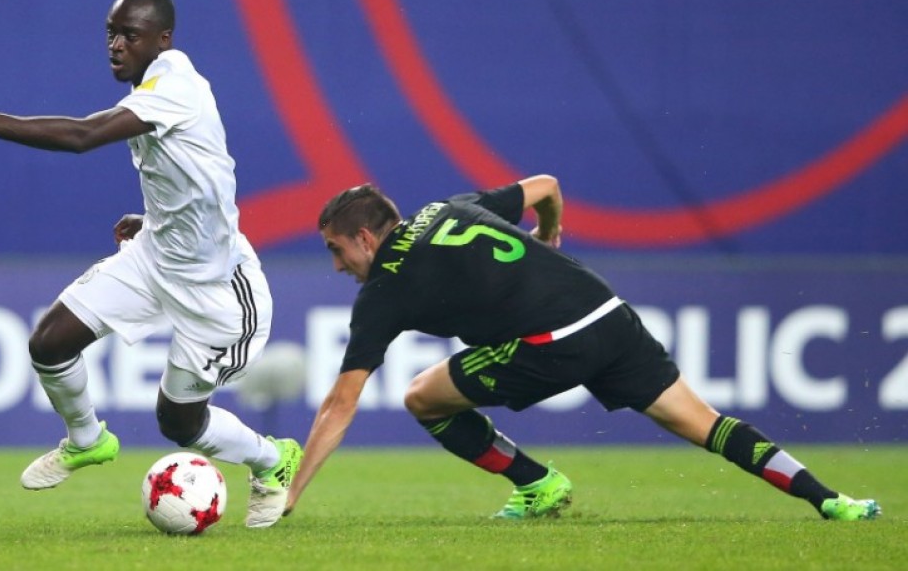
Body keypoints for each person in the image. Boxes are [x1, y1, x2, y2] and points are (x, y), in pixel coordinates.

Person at [0, 0, 301, 528]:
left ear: (162, 39)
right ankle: (87, 439)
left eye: (130, 35)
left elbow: (83, 135)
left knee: (179, 423)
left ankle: (273, 459)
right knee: (49, 343)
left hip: (216, 289)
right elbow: (198, 175)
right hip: (156, 256)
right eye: (111, 33)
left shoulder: (176, 86)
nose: (116, 45)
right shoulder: (152, 84)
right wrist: (154, 220)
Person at [285, 174, 880, 522]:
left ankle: (537, 484)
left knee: (422, 397)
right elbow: (546, 185)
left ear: (366, 238)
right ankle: (832, 502)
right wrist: (548, 231)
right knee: (705, 423)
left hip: (551, 342)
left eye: (338, 250)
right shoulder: (450, 207)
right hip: (607, 313)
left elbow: (342, 401)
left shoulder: (386, 286)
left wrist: (292, 494)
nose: (338, 266)